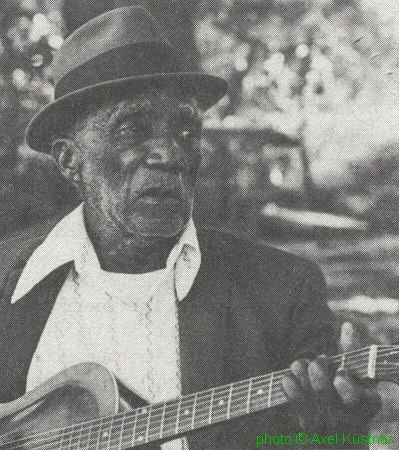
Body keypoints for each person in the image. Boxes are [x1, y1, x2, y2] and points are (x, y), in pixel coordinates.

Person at [0, 6, 381, 449]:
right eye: (131, 130)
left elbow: (326, 445)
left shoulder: (282, 291)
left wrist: (335, 433)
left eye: (185, 130)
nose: (170, 154)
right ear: (70, 160)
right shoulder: (8, 281)